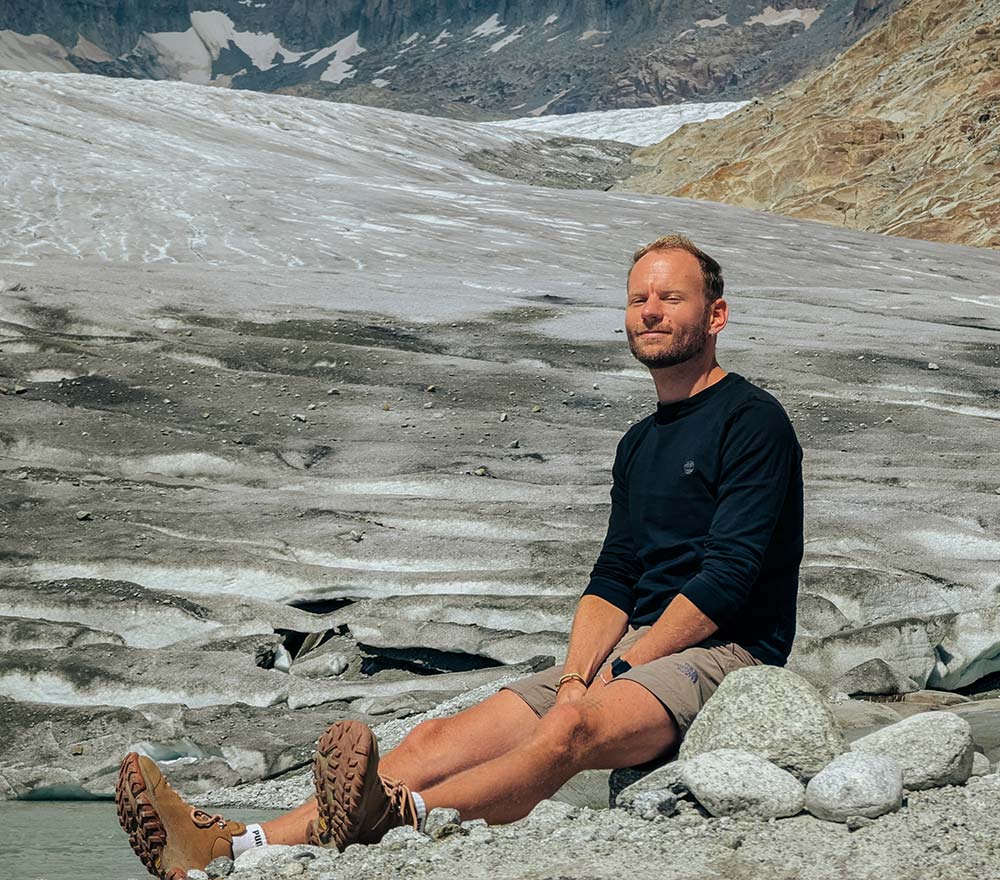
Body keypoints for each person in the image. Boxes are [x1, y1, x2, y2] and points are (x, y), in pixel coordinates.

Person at [116, 234, 804, 878]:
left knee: (571, 725)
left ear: (716, 316)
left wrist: (618, 671)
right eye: (638, 298)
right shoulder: (638, 443)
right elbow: (615, 576)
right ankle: (240, 847)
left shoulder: (751, 419)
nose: (650, 311)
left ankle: (403, 817)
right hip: (638, 652)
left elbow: (728, 577)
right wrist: (577, 674)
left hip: (726, 655)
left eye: (671, 298)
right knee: (431, 740)